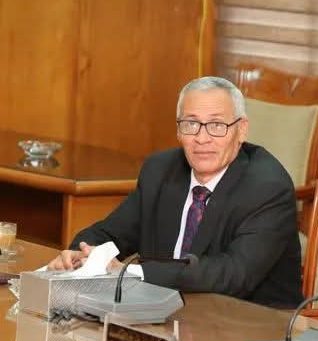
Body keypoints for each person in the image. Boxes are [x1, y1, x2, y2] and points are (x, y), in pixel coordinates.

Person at [47, 76, 303, 308]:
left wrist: (130, 273)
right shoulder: (161, 170)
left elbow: (233, 274)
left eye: (216, 125)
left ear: (241, 129)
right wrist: (81, 255)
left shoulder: (267, 187)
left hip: (252, 325)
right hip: (165, 314)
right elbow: (111, 233)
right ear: (179, 130)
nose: (202, 138)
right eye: (191, 124)